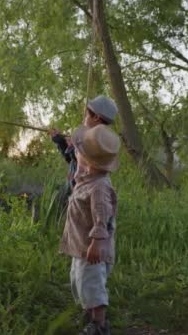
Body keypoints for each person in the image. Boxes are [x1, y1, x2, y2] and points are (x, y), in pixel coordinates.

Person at [59, 123, 120, 335]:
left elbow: (102, 217)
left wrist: (97, 242)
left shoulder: (100, 186)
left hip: (91, 250)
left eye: (79, 152)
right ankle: (91, 314)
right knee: (80, 281)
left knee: (92, 285)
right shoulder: (87, 178)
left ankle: (100, 325)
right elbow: (75, 173)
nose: (76, 153)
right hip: (80, 245)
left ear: (90, 160)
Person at [49, 96, 118, 200]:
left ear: (96, 118)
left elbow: (86, 163)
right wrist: (61, 143)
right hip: (74, 193)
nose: (84, 118)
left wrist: (73, 148)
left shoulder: (98, 143)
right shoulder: (88, 138)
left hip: (85, 197)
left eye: (86, 115)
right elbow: (72, 161)